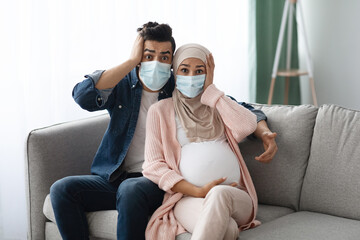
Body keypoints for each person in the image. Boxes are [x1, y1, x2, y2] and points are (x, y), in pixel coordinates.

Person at [50, 21, 276, 240]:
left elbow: (244, 110)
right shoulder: (123, 85)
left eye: (164, 57)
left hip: (157, 181)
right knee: (62, 189)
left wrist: (264, 132)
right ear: (139, 58)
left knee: (131, 190)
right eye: (149, 56)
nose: (156, 63)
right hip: (116, 175)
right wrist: (130, 61)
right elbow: (83, 96)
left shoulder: (180, 86)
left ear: (172, 63)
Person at [142, 43, 266, 240]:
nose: (191, 77)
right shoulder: (160, 111)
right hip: (189, 199)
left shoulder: (218, 106)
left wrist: (211, 91)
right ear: (175, 72)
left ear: (208, 73)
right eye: (184, 70)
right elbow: (153, 165)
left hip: (236, 196)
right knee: (228, 229)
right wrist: (196, 191)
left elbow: (246, 126)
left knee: (219, 194)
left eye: (199, 71)